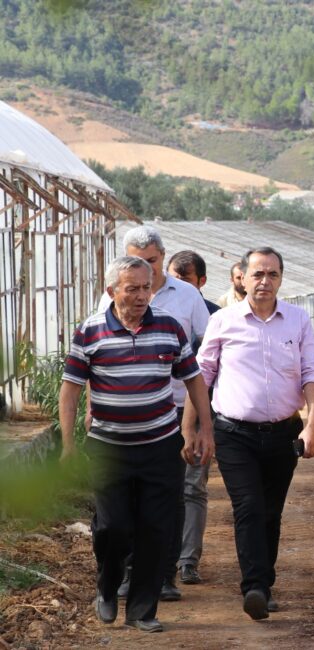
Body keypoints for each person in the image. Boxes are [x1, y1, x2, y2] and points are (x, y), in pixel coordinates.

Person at [59, 256, 214, 633]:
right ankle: (108, 587)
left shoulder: (169, 327)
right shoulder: (89, 332)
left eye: (147, 287)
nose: (143, 295)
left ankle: (143, 610)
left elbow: (193, 379)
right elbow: (70, 391)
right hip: (107, 448)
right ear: (113, 290)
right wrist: (68, 445)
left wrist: (203, 430)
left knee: (155, 528)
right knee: (113, 527)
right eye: (133, 288)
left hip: (161, 445)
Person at [196, 246, 314, 621]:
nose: (264, 281)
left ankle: (264, 584)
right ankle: (254, 587)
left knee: (270, 511)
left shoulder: (297, 320)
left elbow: (312, 373)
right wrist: (194, 428)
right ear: (242, 277)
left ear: (281, 279)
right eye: (258, 274)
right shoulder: (223, 321)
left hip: (284, 433)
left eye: (272, 275)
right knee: (249, 507)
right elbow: (201, 376)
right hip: (234, 433)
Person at [99, 226, 209, 603]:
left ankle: (167, 572)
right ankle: (132, 572)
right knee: (132, 497)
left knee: (177, 493)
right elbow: (95, 350)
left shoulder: (189, 296)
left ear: (163, 257)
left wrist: (197, 420)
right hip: (126, 413)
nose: (144, 269)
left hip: (178, 406)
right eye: (136, 261)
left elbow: (205, 352)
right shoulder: (110, 297)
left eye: (151, 261)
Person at [167, 250, 220, 587]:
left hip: (198, 409)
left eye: (186, 278)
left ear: (201, 281)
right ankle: (164, 559)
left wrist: (206, 419)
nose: (179, 284)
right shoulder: (154, 306)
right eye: (175, 277)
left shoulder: (216, 318)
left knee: (192, 486)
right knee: (164, 488)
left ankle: (188, 560)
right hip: (159, 410)